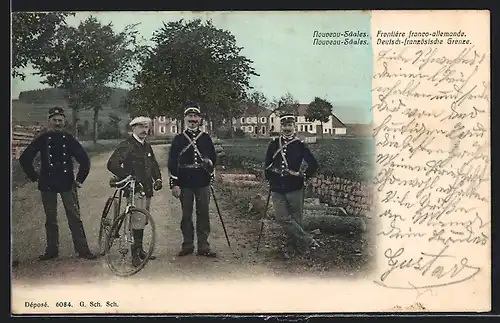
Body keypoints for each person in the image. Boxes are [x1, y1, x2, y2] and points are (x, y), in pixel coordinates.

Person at [19, 107, 96, 260]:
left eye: (60, 120)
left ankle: (83, 250)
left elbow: (84, 160)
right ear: (49, 121)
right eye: (54, 120)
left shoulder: (68, 138)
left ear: (64, 121)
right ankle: (51, 251)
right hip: (47, 183)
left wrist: (79, 180)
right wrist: (34, 176)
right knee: (51, 219)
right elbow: (25, 158)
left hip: (67, 183)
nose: (57, 123)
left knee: (74, 217)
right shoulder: (42, 138)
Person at [107, 116, 163, 267]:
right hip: (134, 189)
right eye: (141, 127)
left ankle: (140, 250)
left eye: (146, 127)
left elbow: (154, 165)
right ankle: (134, 255)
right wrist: (128, 177)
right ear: (133, 128)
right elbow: (112, 164)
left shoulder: (147, 146)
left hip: (147, 189)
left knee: (143, 220)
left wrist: (158, 179)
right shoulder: (127, 145)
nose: (145, 130)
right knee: (136, 221)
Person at [264, 113, 320, 260]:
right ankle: (308, 240)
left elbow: (313, 164)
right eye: (284, 125)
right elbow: (267, 165)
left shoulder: (300, 145)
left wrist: (301, 175)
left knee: (296, 219)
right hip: (277, 187)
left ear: (294, 127)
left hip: (295, 187)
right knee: (282, 217)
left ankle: (292, 247)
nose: (287, 128)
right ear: (280, 127)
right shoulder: (274, 144)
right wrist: (270, 177)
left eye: (290, 125)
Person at [167, 104, 218, 257]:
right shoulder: (178, 139)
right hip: (185, 182)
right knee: (186, 215)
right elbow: (172, 162)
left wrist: (209, 165)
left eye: (195, 117)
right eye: (190, 117)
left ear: (200, 119)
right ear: (185, 119)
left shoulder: (206, 138)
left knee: (203, 214)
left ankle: (203, 246)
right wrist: (174, 184)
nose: (193, 120)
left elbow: (213, 159)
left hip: (202, 181)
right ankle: (187, 245)